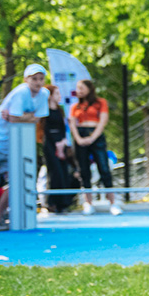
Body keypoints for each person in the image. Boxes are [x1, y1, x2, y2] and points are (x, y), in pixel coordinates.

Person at [0, 64, 50, 231]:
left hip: (11, 143)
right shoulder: (21, 92)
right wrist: (25, 116)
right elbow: (15, 118)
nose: (37, 82)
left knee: (17, 178)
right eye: (33, 78)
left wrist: (22, 116)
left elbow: (36, 119)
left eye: (40, 78)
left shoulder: (44, 94)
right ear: (26, 80)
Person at [69, 79, 122, 216]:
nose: (79, 90)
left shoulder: (100, 102)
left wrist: (93, 137)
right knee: (84, 170)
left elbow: (103, 120)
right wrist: (79, 139)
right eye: (77, 88)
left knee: (104, 167)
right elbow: (72, 124)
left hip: (96, 135)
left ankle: (113, 203)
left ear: (89, 88)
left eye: (82, 88)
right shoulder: (75, 106)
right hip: (80, 136)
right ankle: (88, 203)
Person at [42, 84, 75, 214]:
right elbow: (45, 130)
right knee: (55, 172)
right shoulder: (44, 110)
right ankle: (52, 202)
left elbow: (62, 128)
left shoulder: (60, 110)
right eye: (56, 93)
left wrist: (63, 142)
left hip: (61, 143)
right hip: (50, 144)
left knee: (64, 171)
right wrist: (56, 144)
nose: (59, 96)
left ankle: (64, 203)